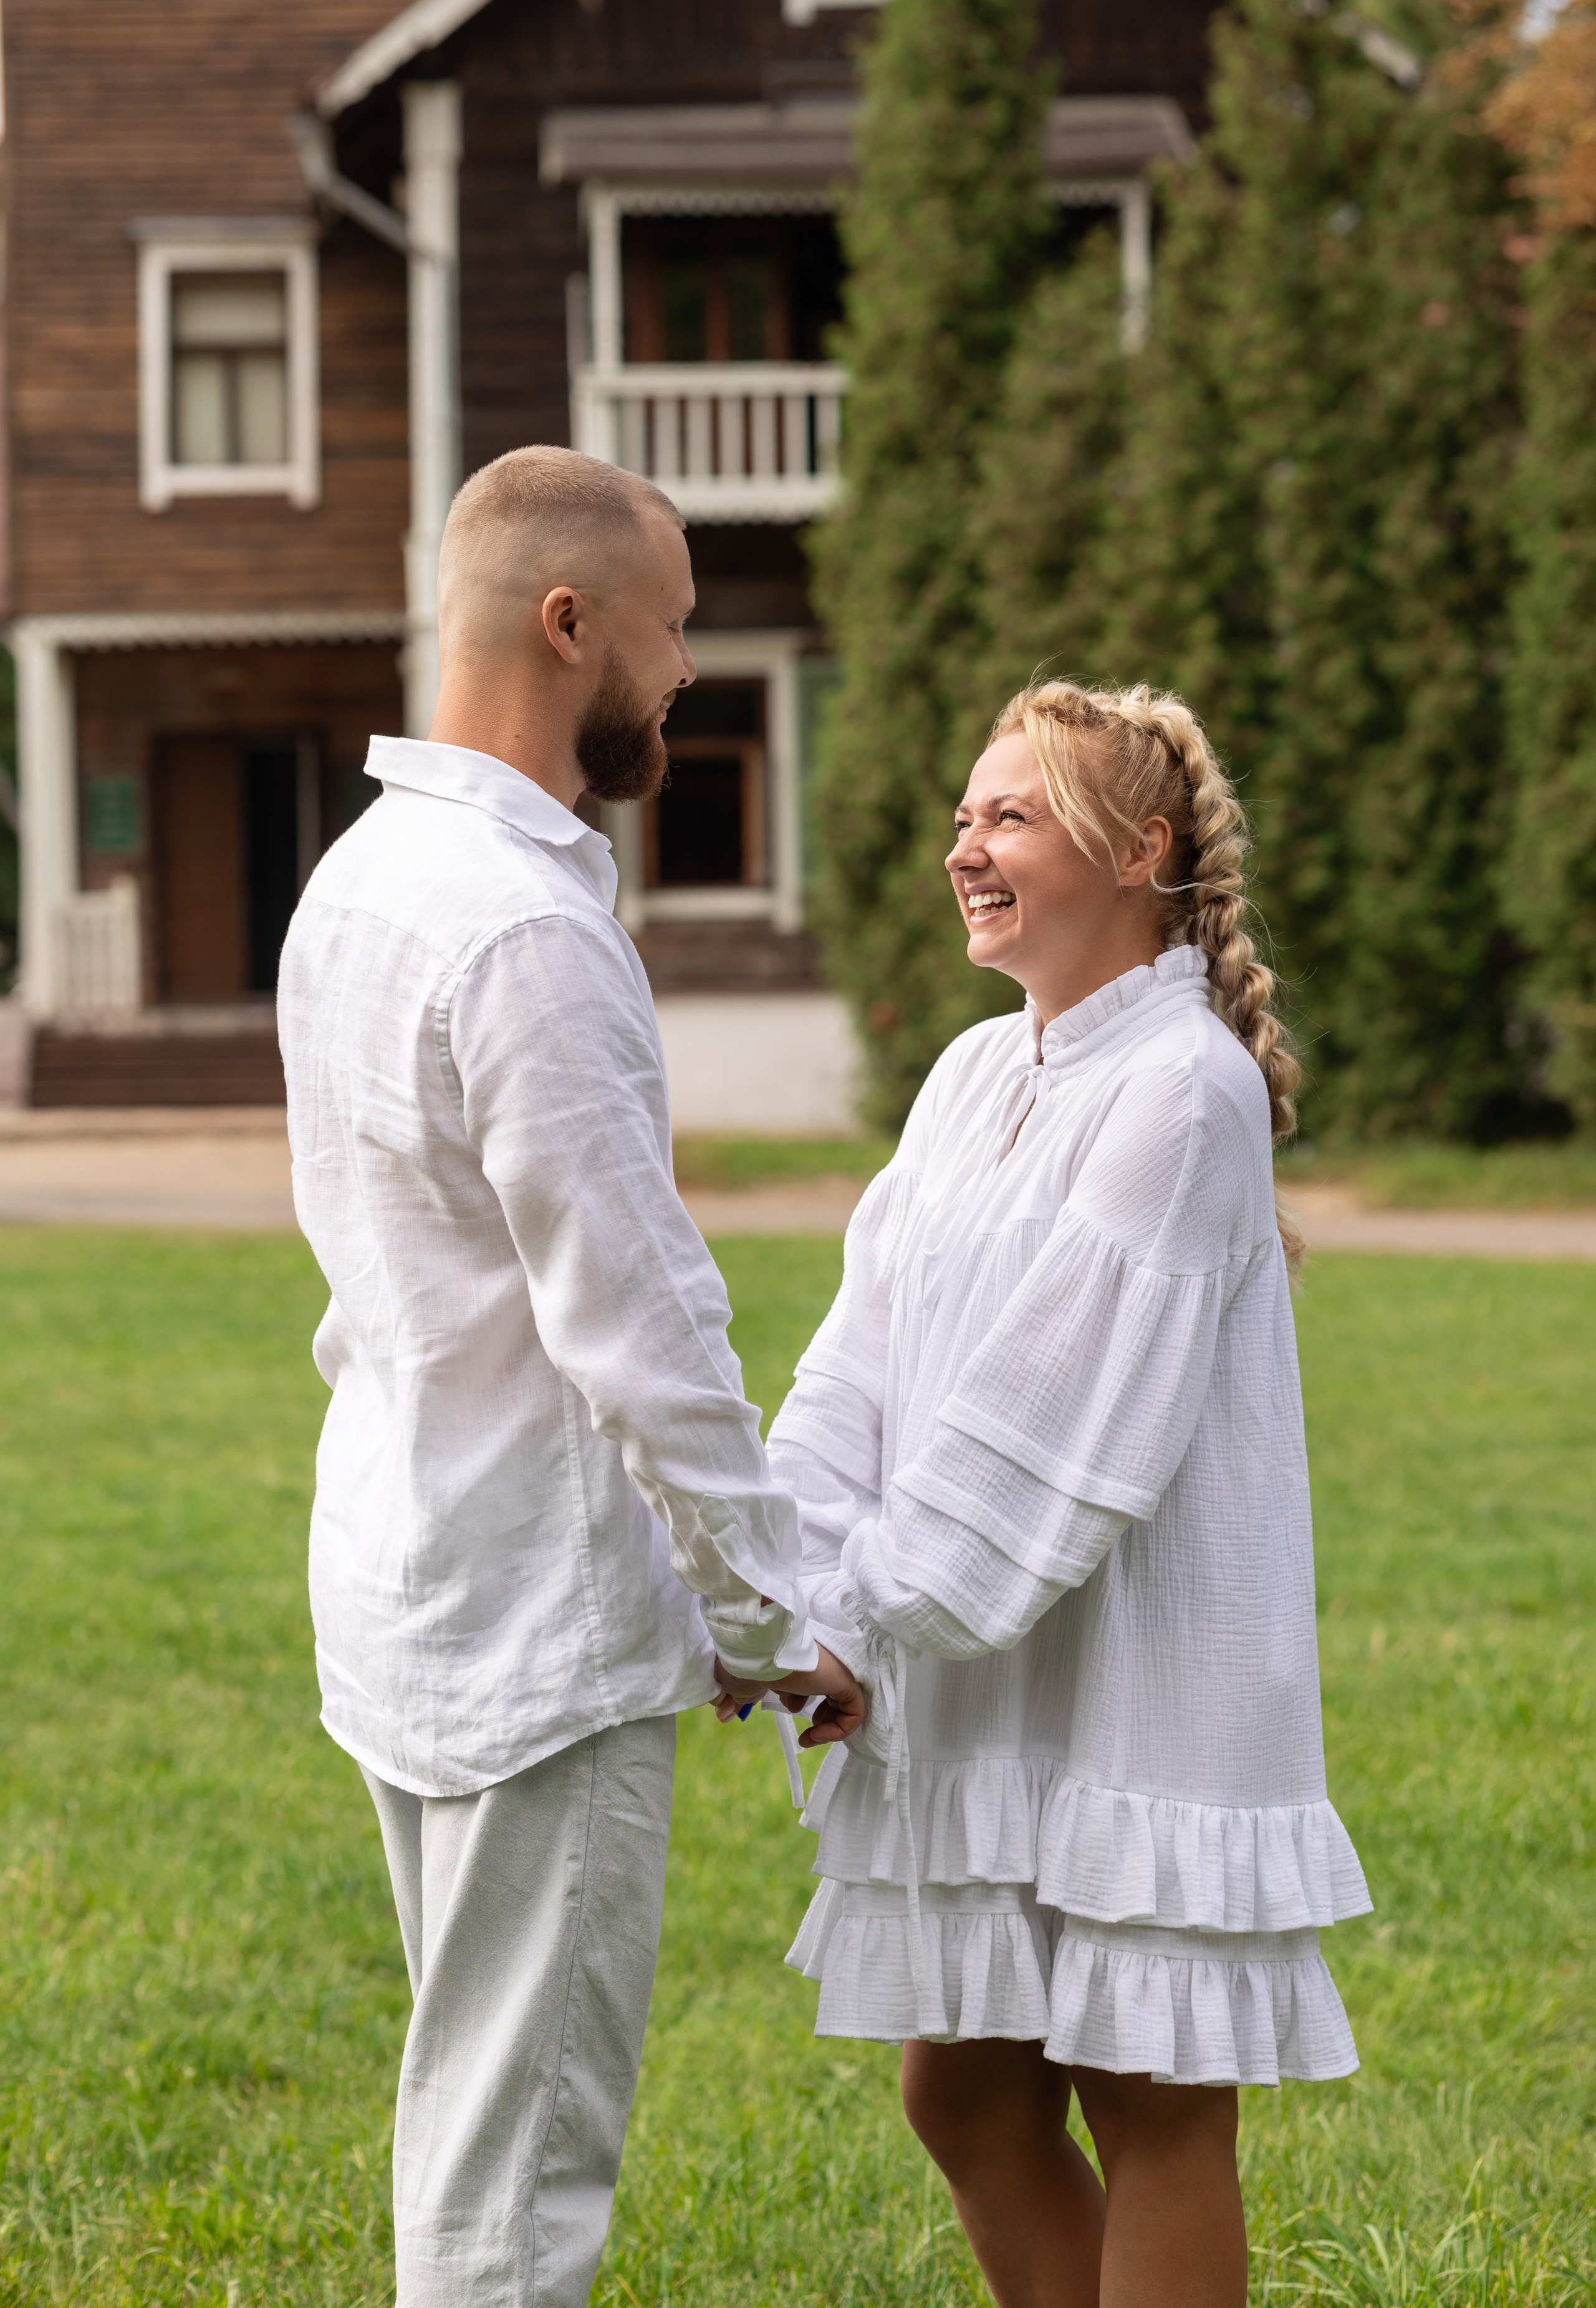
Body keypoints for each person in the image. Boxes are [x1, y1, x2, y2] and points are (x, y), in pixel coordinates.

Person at [277, 445, 863, 2308]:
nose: (687, 669)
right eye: (676, 627)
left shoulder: (356, 884)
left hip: (405, 1580)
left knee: (466, 2118)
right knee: (521, 2186)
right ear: (569, 623)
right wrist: (772, 1620)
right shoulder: (529, 928)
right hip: (531, 1625)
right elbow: (642, 1327)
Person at [741, 680, 1371, 2308]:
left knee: (1151, 2104)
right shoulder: (966, 1075)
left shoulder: (1181, 1090)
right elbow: (860, 1363)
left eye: (1008, 814)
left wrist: (865, 1616)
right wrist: (783, 1575)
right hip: (984, 1657)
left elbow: (1053, 1429)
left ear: (1139, 848)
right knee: (966, 2090)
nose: (967, 845)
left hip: (1137, 1675)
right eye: (966, 815)